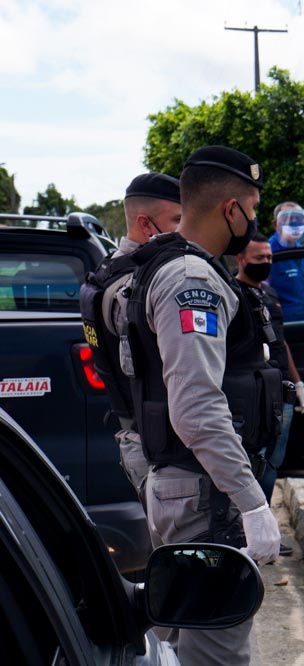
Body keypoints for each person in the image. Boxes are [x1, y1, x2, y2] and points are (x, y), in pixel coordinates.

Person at [123, 145, 283, 665]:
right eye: (253, 208)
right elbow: (196, 407)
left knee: (187, 641)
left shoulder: (173, 265)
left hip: (192, 487)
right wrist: (251, 502)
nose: (254, 220)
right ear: (231, 209)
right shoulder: (191, 280)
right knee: (218, 652)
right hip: (204, 494)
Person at [79, 172, 182, 500]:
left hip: (140, 438)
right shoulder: (135, 287)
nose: (185, 229)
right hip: (162, 450)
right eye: (178, 219)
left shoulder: (108, 270)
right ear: (145, 223)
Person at [235, 232, 304, 557]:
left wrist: (299, 382)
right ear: (240, 258)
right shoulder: (232, 294)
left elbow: (281, 342)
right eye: (259, 258)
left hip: (281, 392)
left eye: (269, 258)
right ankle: (245, 533)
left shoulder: (270, 294)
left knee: (272, 465)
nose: (266, 263)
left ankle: (263, 532)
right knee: (252, 465)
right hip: (252, 396)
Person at [268, 201, 304, 322]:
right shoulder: (268, 253)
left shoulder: (302, 251)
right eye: (288, 218)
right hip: (284, 326)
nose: (294, 221)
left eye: (299, 218)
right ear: (275, 225)